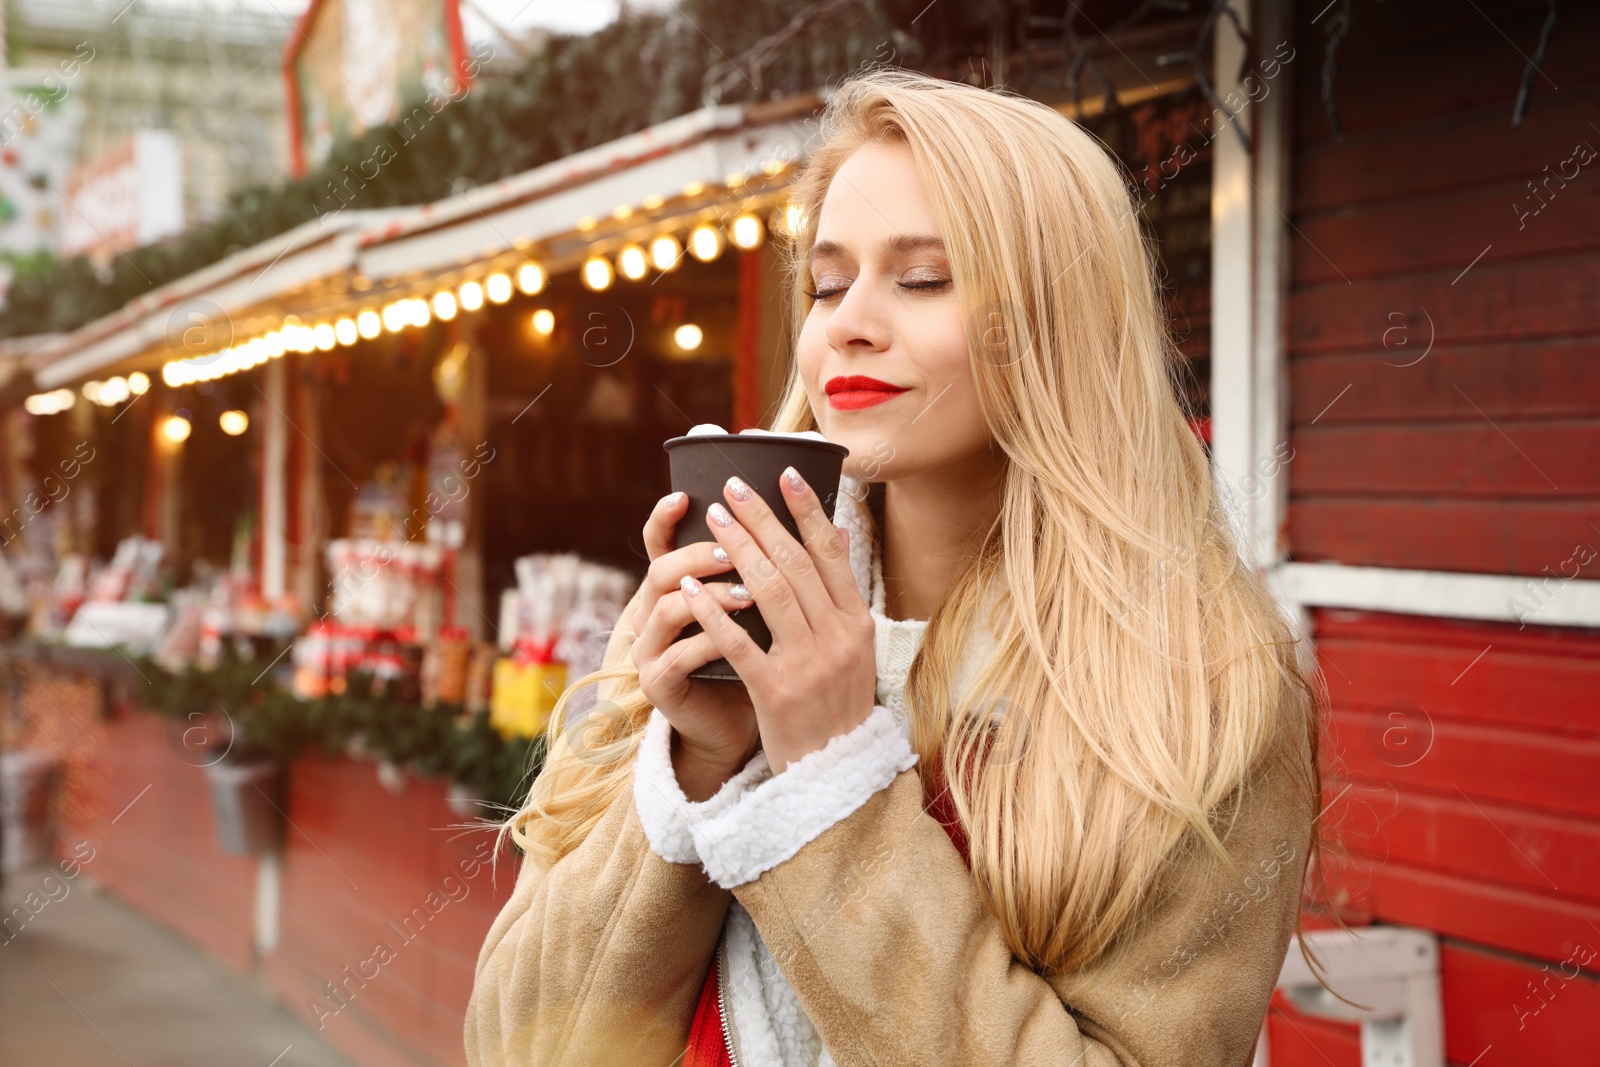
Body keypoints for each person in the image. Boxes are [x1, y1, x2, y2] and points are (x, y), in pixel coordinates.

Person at [465, 69, 1324, 1067]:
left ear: (1057, 320)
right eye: (828, 282)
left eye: (922, 277)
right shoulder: (713, 620)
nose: (846, 323)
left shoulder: (1204, 686)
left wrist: (829, 775)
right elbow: (519, 1047)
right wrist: (697, 765)